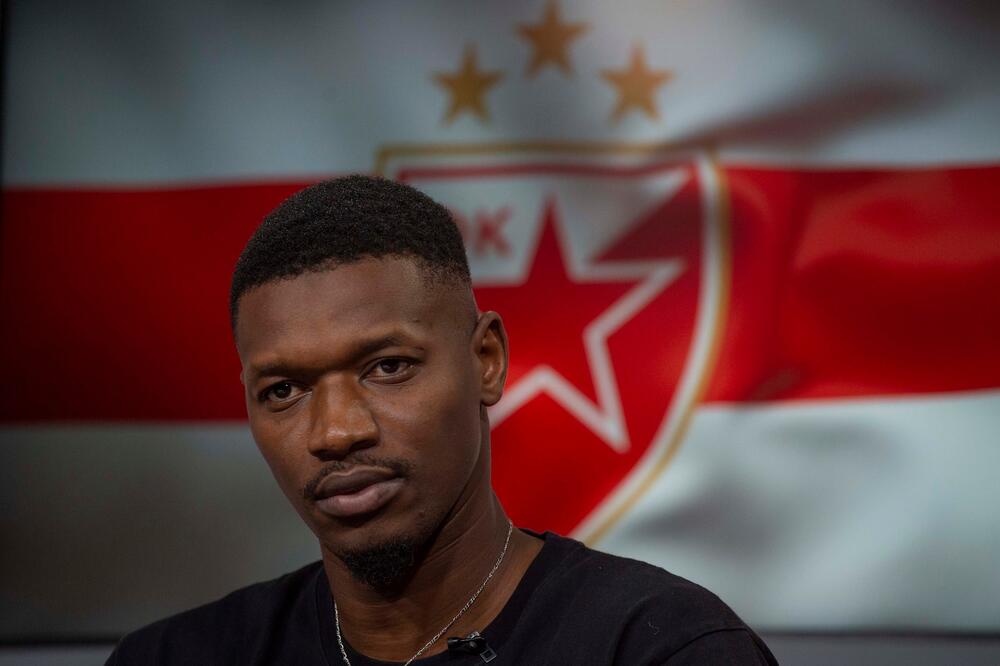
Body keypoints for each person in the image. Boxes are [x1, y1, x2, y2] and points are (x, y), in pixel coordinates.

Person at [107, 175, 777, 665]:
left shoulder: (661, 650)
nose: (335, 432)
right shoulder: (171, 661)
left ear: (486, 360)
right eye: (283, 390)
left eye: (388, 367)